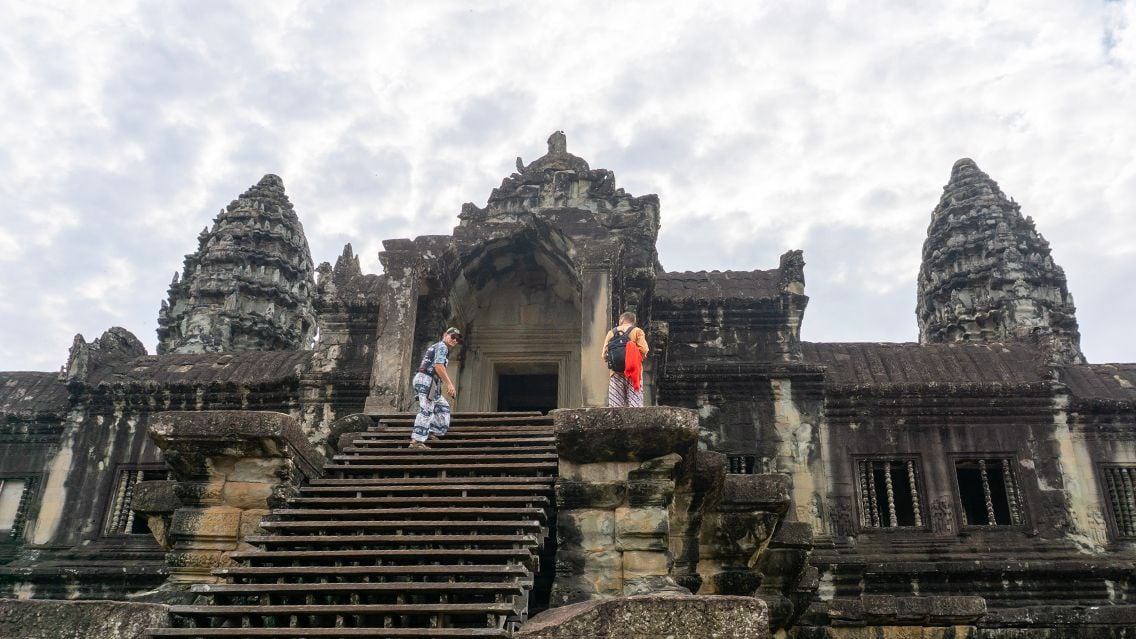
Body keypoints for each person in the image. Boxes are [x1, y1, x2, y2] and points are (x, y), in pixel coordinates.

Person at [409, 327, 463, 449]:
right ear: (445, 335)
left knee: (443, 408)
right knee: (426, 410)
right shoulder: (442, 346)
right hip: (426, 379)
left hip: (431, 383)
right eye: (452, 337)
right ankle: (416, 441)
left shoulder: (440, 348)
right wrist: (449, 384)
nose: (454, 340)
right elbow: (438, 367)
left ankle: (429, 431)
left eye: (457, 340)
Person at [601, 311, 649, 407]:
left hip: (616, 373)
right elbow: (644, 350)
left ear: (621, 320)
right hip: (634, 373)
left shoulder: (611, 333)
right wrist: (632, 356)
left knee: (616, 406)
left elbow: (604, 355)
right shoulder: (637, 331)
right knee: (635, 405)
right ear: (633, 321)